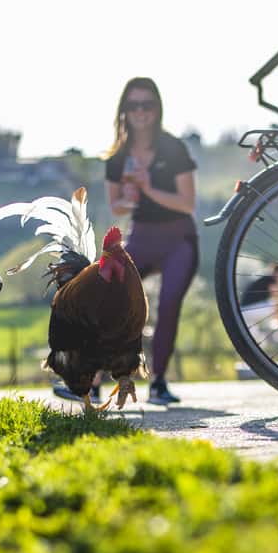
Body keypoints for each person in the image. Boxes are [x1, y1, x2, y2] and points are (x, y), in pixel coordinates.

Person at [103, 76, 198, 405]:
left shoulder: (173, 148)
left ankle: (158, 381)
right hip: (140, 236)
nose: (140, 111)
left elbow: (187, 203)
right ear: (124, 111)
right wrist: (129, 198)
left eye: (147, 104)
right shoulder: (117, 156)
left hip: (178, 238)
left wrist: (148, 188)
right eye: (133, 105)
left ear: (157, 108)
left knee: (167, 304)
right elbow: (117, 206)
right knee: (109, 295)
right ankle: (93, 373)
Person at [240, 263, 278, 346]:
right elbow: (277, 296)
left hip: (244, 313)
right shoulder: (270, 279)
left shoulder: (264, 277)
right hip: (250, 310)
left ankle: (276, 331)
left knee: (257, 342)